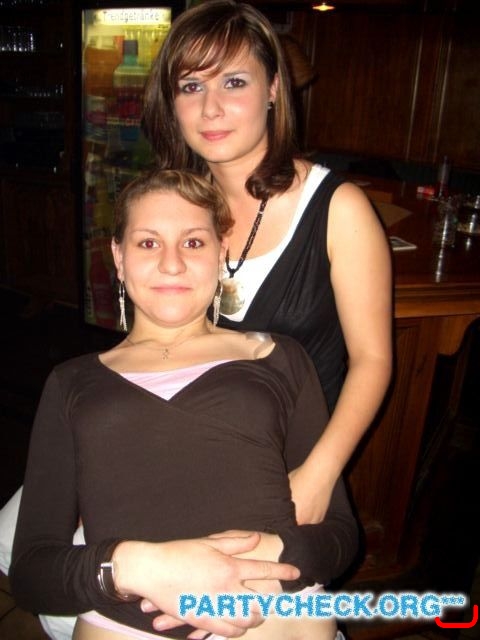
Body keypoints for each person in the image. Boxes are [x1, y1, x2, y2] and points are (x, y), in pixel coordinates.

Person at [10, 169, 359, 640]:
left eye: (193, 242)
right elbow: (31, 574)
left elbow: (340, 535)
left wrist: (262, 558)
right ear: (118, 256)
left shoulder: (280, 358)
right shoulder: (71, 382)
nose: (171, 264)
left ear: (221, 252)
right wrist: (140, 567)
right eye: (148, 243)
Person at [142, 0, 393, 529]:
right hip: (191, 443)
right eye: (191, 86)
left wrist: (320, 474)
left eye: (233, 82)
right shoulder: (173, 206)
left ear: (274, 88)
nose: (210, 108)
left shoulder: (339, 208)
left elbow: (372, 360)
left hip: (290, 462)